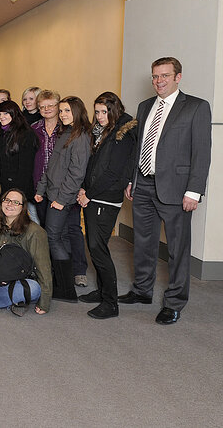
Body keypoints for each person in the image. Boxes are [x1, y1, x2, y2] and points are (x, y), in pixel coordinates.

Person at [121, 57, 212, 325]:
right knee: (144, 244)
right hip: (144, 185)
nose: (159, 81)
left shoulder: (196, 107)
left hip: (177, 189)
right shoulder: (145, 105)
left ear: (178, 77)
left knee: (177, 250)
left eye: (164, 76)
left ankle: (174, 303)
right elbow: (139, 148)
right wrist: (132, 180)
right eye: (155, 76)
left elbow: (202, 153)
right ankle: (142, 290)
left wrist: (194, 191)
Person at [76, 92, 137, 319]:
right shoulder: (104, 133)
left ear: (115, 110)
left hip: (105, 199)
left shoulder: (123, 134)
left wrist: (88, 194)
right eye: (98, 111)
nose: (100, 116)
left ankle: (111, 303)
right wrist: (84, 189)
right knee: (94, 246)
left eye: (105, 112)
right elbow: (93, 166)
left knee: (98, 249)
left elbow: (113, 173)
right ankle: (102, 291)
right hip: (93, 196)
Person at [35, 96, 91, 301]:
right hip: (53, 193)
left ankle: (66, 288)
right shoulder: (66, 133)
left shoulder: (81, 137)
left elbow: (77, 173)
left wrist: (62, 198)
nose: (63, 115)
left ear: (77, 112)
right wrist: (41, 189)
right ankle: (63, 282)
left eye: (67, 111)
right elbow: (51, 167)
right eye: (62, 111)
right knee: (62, 238)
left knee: (53, 237)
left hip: (61, 197)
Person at [0, 101, 38, 215]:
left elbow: (26, 167)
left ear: (14, 114)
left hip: (16, 188)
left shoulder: (26, 134)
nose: (2, 117)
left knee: (15, 222)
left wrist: (16, 193)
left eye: (5, 114)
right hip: (0, 187)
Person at [30, 89, 61, 225]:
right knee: (43, 223)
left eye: (50, 105)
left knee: (59, 227)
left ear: (58, 106)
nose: (46, 109)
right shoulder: (34, 129)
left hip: (61, 187)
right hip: (39, 187)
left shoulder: (66, 129)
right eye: (42, 106)